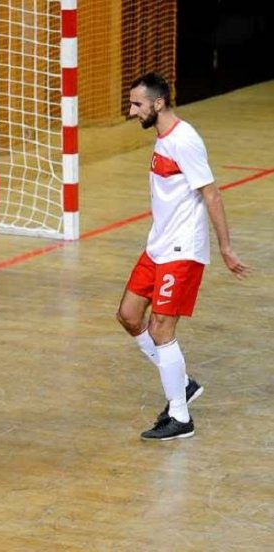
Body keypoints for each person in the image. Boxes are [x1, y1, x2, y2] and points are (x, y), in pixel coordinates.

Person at [116, 72, 251, 441]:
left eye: (137, 104)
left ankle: (180, 416)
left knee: (161, 328)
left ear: (158, 104)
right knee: (129, 316)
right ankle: (184, 383)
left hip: (183, 249)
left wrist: (224, 247)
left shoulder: (185, 140)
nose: (132, 111)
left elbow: (212, 195)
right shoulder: (163, 138)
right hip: (157, 245)